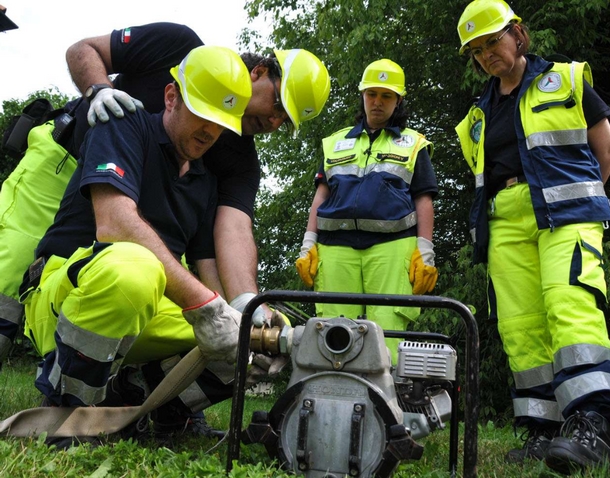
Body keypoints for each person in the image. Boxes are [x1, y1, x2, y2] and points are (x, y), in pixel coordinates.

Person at [0, 22, 331, 369]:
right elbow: (83, 49)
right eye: (277, 104)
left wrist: (245, 304)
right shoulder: (178, 46)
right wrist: (98, 90)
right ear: (259, 72)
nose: (274, 121)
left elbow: (232, 230)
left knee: (139, 278)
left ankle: (124, 387)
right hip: (64, 164)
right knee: (9, 280)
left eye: (286, 121)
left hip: (128, 208)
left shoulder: (240, 161)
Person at [19, 45, 253, 441]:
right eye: (202, 113)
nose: (210, 131)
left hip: (142, 304)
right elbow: (114, 224)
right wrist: (204, 305)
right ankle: (70, 407)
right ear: (170, 97)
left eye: (220, 121)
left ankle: (158, 408)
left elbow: (207, 273)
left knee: (253, 341)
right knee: (135, 269)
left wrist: (240, 318)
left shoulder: (204, 182)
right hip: (64, 290)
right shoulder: (123, 124)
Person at [455, 0, 610, 473]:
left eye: (493, 41)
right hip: (505, 221)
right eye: (478, 50)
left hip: (565, 213)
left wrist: (580, 206)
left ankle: (593, 426)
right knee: (520, 324)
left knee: (568, 303)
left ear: (518, 35)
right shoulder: (475, 118)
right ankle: (542, 432)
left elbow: (606, 150)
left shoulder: (568, 80)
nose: (488, 54)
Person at [295, 59, 438, 363]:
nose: (377, 102)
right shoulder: (335, 143)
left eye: (386, 96)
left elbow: (423, 198)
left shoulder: (414, 144)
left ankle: (387, 406)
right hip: (335, 249)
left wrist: (425, 250)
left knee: (386, 339)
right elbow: (321, 194)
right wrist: (309, 243)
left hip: (393, 248)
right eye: (372, 94)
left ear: (398, 100)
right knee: (332, 335)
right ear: (362, 95)